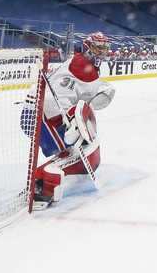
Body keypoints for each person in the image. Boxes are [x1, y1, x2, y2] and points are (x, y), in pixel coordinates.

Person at [23, 32, 116, 209]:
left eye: (105, 47)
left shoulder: (85, 63)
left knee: (71, 148)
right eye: (99, 47)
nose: (103, 51)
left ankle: (44, 178)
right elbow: (79, 98)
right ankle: (40, 185)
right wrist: (73, 117)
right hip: (38, 115)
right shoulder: (82, 65)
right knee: (66, 146)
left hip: (44, 112)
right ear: (88, 47)